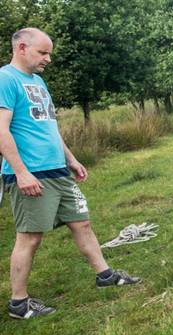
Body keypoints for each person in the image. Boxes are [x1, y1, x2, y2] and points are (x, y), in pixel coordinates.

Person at [1, 28, 141, 319]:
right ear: (22, 47)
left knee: (82, 223)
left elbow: (49, 126)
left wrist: (72, 159)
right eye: (43, 53)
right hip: (32, 173)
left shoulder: (37, 81)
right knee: (30, 238)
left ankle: (105, 275)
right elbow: (1, 130)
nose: (48, 59)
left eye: (49, 53)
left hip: (57, 170)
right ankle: (19, 303)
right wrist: (22, 173)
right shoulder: (6, 79)